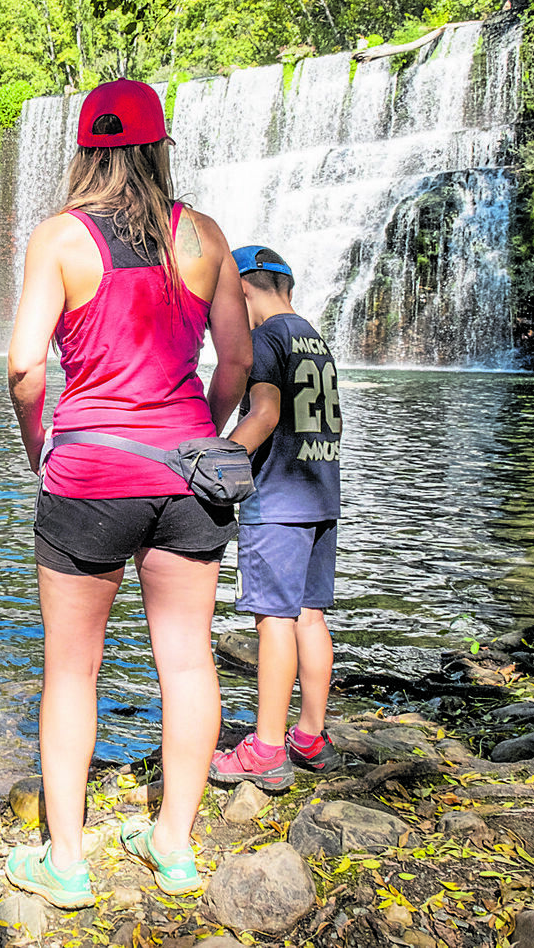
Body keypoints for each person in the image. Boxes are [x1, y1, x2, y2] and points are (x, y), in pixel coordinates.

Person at [4, 79, 252, 906]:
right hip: (188, 478)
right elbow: (240, 365)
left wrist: (40, 444)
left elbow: (24, 365)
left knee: (71, 671)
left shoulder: (61, 238)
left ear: (87, 150)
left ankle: (66, 863)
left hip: (90, 475)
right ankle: (174, 850)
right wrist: (199, 437)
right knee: (186, 660)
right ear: (158, 147)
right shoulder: (206, 237)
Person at [209, 247, 344, 792]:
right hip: (321, 497)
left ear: (243, 288)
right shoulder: (314, 336)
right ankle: (310, 734)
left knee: (274, 621)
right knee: (310, 616)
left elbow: (263, 414)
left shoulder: (264, 339)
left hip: (278, 503)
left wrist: (214, 459)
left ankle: (265, 747)